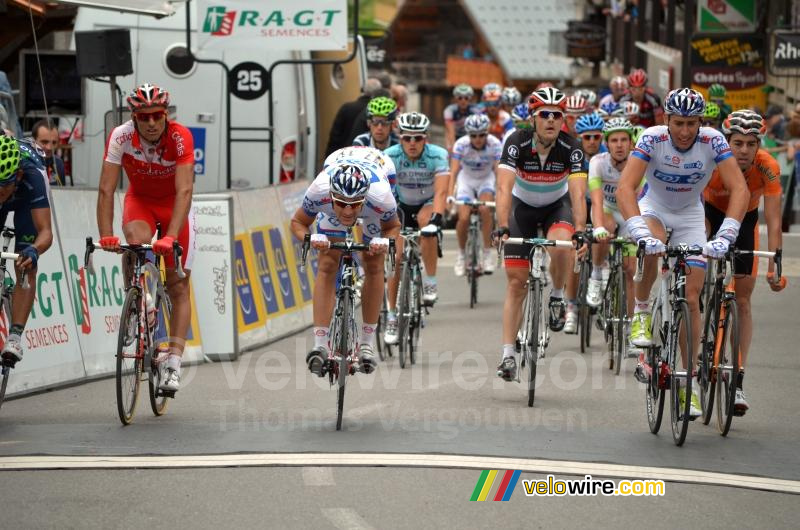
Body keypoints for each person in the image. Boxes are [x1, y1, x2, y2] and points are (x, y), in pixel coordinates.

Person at [616, 88, 749, 419]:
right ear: (666, 120)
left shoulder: (713, 141)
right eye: (679, 123)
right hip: (654, 208)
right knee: (650, 245)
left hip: (690, 215)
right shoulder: (651, 138)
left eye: (692, 123)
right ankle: (642, 312)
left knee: (692, 299)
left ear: (701, 122)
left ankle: (688, 383)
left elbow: (740, 189)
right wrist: (638, 229)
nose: (686, 131)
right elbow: (625, 188)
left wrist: (727, 232)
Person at [96, 83, 195, 394]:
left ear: (165, 115)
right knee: (135, 244)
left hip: (175, 206)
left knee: (178, 284)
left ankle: (174, 365)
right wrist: (106, 234)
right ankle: (140, 301)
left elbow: (184, 191)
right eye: (144, 117)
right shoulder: (120, 137)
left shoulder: (180, 137)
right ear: (133, 117)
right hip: (140, 200)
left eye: (157, 116)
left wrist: (169, 236)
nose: (151, 123)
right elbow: (106, 190)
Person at [494, 87, 588, 381]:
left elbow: (578, 193)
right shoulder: (516, 142)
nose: (550, 120)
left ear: (563, 120)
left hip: (555, 207)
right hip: (521, 209)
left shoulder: (572, 147)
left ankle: (558, 297)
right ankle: (508, 355)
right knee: (516, 284)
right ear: (533, 118)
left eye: (556, 115)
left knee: (562, 246)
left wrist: (581, 231)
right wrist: (501, 225)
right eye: (544, 114)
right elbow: (503, 188)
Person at [703, 110, 785, 414]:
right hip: (709, 214)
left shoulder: (768, 167)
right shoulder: (713, 160)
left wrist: (774, 267)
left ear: (759, 145)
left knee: (744, 300)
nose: (744, 150)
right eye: (738, 143)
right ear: (727, 141)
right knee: (697, 272)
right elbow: (692, 205)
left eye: (752, 144)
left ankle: (737, 380)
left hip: (746, 221)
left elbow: (774, 222)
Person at [291, 153, 399, 375]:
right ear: (331, 197)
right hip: (334, 163)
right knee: (328, 262)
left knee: (373, 262)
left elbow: (393, 227)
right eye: (341, 204)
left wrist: (384, 241)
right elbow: (298, 222)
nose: (348, 211)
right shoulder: (319, 191)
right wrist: (310, 238)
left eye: (354, 205)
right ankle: (319, 346)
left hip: (379, 179)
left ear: (363, 198)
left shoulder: (379, 196)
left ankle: (367, 344)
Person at [383, 112, 449, 344]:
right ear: (399, 138)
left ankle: (430, 281)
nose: (412, 143)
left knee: (427, 225)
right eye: (407, 138)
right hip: (399, 206)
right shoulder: (389, 156)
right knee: (396, 256)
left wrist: (437, 218)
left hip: (427, 203)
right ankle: (391, 316)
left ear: (426, 138)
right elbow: (383, 193)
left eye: (418, 138)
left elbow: (441, 191)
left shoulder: (438, 155)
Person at [0, 134, 53, 365]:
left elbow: (46, 233)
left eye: (2, 185)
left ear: (17, 175)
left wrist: (33, 250)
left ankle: (14, 336)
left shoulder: (32, 175)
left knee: (25, 263)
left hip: (23, 202)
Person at [586, 118, 639, 347]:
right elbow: (596, 201)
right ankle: (596, 275)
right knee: (604, 230)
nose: (619, 145)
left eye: (624, 140)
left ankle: (628, 323)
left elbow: (643, 200)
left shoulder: (639, 162)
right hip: (606, 209)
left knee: (630, 270)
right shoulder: (597, 162)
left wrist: (639, 229)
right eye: (614, 140)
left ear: (631, 142)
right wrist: (597, 227)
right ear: (606, 144)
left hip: (630, 212)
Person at [448, 114, 501, 276]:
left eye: (481, 135)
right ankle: (461, 254)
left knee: (485, 210)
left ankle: (486, 253)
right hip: (466, 180)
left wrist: (500, 195)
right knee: (463, 217)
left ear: (487, 133)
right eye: (473, 135)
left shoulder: (495, 144)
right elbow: (454, 172)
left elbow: (499, 173)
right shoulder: (461, 145)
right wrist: (450, 195)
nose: (478, 139)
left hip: (486, 179)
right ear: (468, 135)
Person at [324, 77, 382, 156]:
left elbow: (334, 137)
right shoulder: (377, 114)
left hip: (342, 155)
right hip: (365, 156)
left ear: (363, 90)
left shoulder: (346, 108)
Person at [444, 84, 481, 152]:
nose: (463, 101)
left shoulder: (475, 110)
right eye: (460, 98)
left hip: (469, 135)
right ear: (456, 99)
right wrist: (453, 149)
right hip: (455, 135)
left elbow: (478, 129)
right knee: (451, 149)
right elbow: (450, 131)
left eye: (466, 98)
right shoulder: (450, 110)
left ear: (470, 99)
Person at [31, 119, 66, 186]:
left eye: (54, 142)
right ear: (33, 141)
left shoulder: (58, 163)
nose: (49, 147)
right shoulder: (24, 163)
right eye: (44, 142)